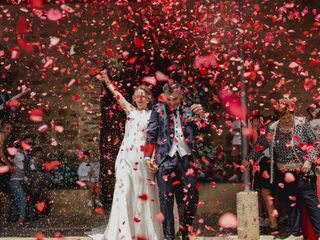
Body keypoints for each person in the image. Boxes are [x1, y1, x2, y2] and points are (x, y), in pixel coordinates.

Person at [91, 70, 163, 240]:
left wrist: (152, 157)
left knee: (144, 191)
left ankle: (144, 231)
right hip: (126, 157)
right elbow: (116, 95)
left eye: (143, 96)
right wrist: (107, 81)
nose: (140, 99)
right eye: (137, 96)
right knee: (125, 191)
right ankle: (124, 232)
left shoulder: (155, 115)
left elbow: (156, 138)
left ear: (149, 98)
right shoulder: (130, 111)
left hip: (144, 157)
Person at [243, 98, 320, 240]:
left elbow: (315, 144)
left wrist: (309, 161)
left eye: (289, 116)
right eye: (283, 117)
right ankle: (296, 233)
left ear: (293, 113)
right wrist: (249, 158)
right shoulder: (273, 127)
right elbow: (261, 144)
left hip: (303, 171)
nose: (287, 120)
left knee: (311, 204)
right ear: (279, 117)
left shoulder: (302, 123)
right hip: (285, 173)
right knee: (292, 203)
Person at [144, 81, 208, 240]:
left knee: (192, 195)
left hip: (187, 160)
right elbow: (151, 134)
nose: (172, 103)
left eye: (175, 99)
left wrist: (202, 115)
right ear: (164, 97)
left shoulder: (190, 110)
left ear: (181, 95)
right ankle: (169, 237)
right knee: (165, 202)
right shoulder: (157, 110)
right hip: (164, 160)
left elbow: (203, 127)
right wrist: (147, 156)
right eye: (169, 100)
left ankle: (186, 233)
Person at [0, 120, 13, 193]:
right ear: (1, 128)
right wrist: (9, 165)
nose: (9, 131)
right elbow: (1, 154)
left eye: (10, 129)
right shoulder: (1, 135)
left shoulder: (3, 137)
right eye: (7, 128)